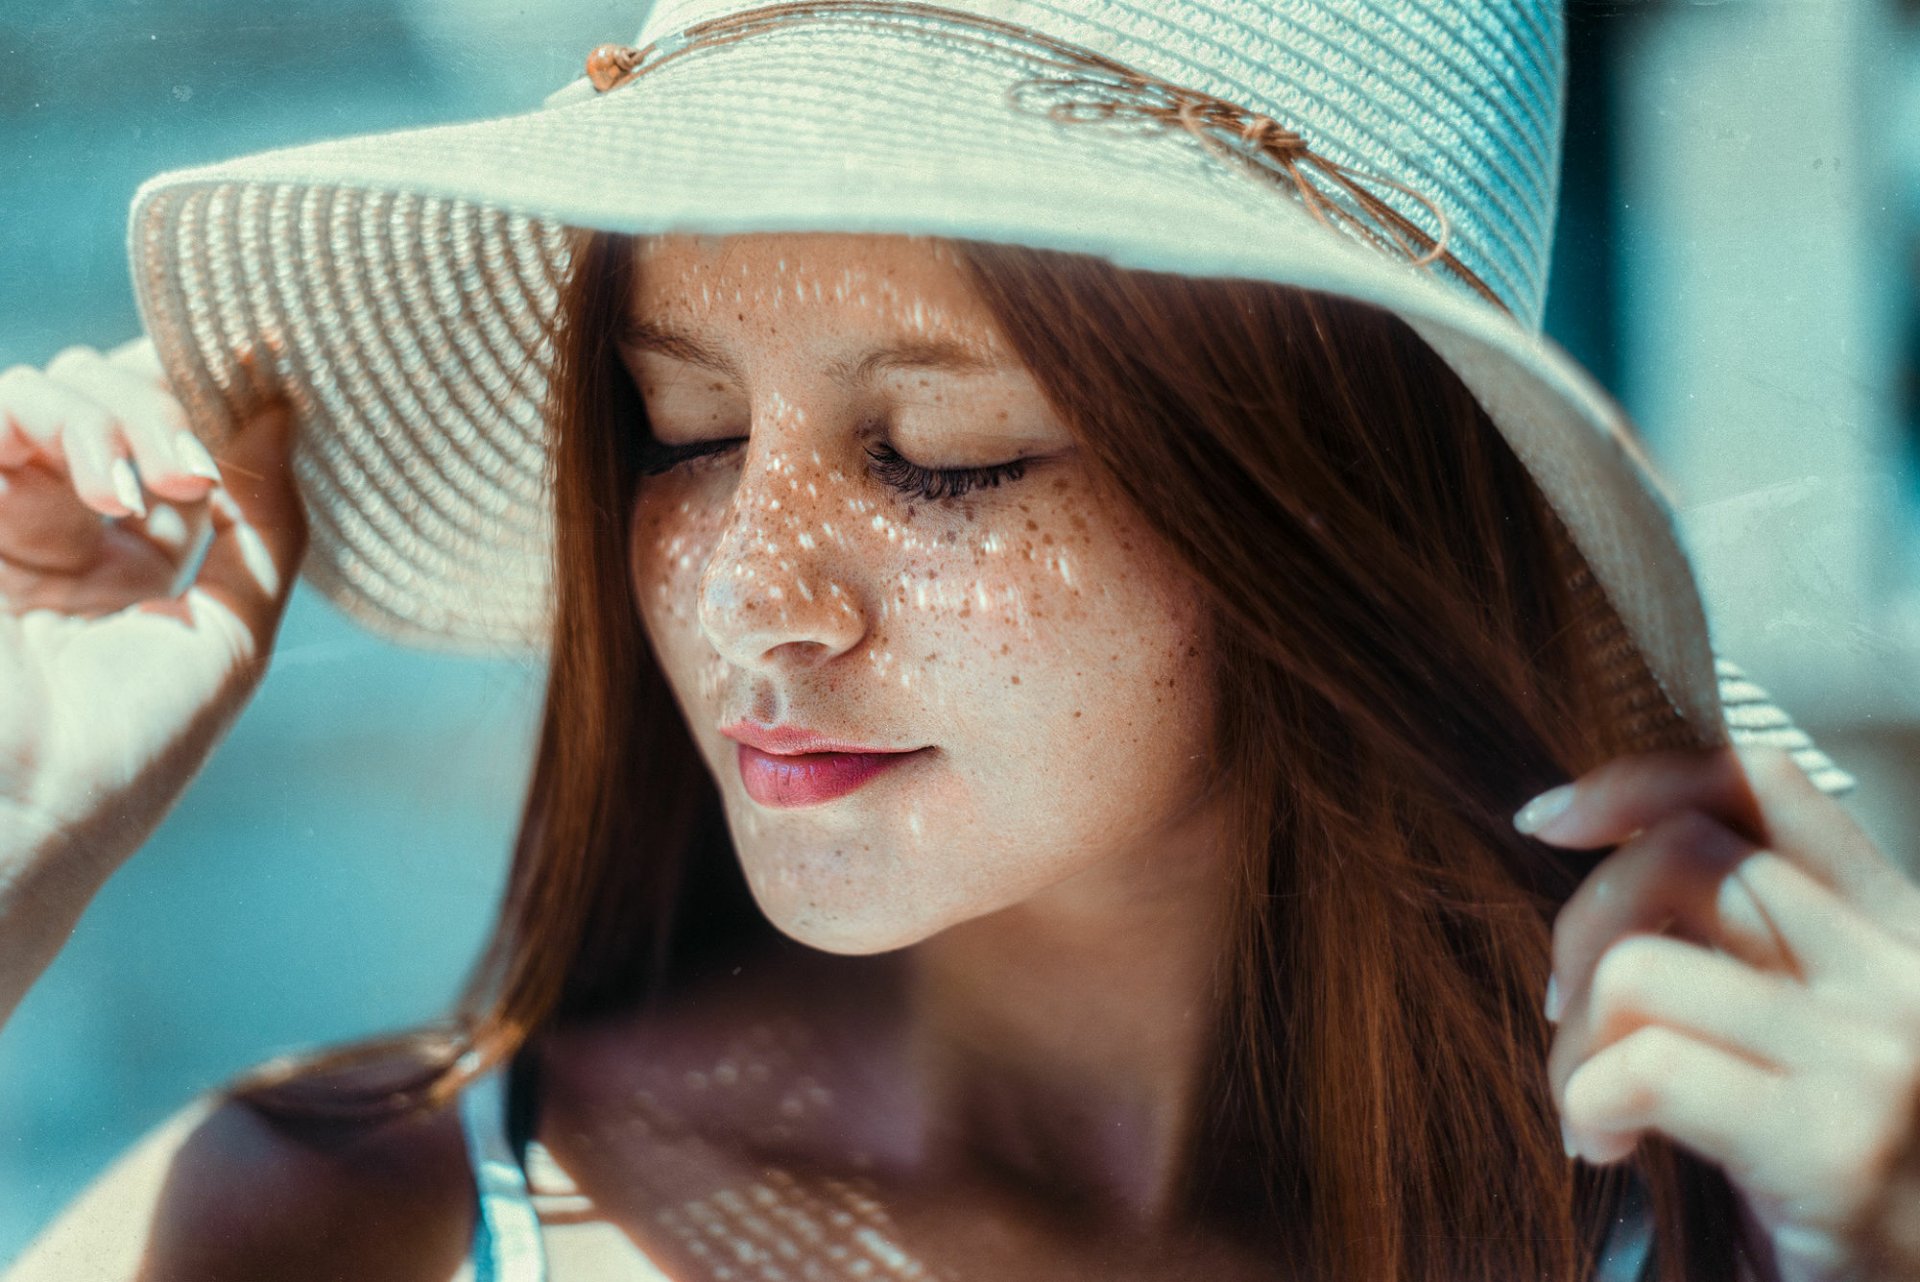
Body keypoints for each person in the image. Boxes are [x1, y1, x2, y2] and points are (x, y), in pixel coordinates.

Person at [4, 1, 1920, 1279]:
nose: (755, 590)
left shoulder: (1750, 1211)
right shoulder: (348, 1227)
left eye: (945, 456)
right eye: (680, 429)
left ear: (1317, 501)